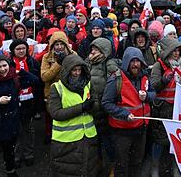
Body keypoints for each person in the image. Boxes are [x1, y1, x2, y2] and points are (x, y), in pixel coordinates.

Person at [0, 54, 39, 177]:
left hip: (10, 124)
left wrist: (21, 71)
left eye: (5, 65)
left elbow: (35, 80)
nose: (3, 69)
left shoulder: (14, 79)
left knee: (9, 151)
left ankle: (11, 171)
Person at [102, 46, 154, 177]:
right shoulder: (116, 79)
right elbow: (106, 103)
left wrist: (147, 96)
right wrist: (124, 114)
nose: (135, 64)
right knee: (121, 165)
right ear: (126, 62)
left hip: (140, 130)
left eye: (138, 61)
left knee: (137, 162)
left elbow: (154, 94)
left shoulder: (145, 77)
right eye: (132, 61)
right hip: (122, 132)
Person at [48, 54, 100, 177]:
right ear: (67, 71)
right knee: (67, 171)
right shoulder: (57, 88)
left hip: (88, 136)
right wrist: (81, 107)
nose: (77, 73)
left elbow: (96, 107)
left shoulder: (88, 84)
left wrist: (92, 106)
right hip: (66, 140)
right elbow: (56, 113)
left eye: (79, 70)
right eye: (74, 70)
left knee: (88, 169)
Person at [150, 36, 181, 177]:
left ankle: (175, 169)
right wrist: (164, 80)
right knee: (159, 142)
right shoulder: (159, 66)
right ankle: (155, 168)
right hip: (162, 110)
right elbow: (154, 85)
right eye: (174, 51)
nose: (176, 53)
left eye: (178, 51)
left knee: (177, 142)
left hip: (179, 109)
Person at [85, 37, 120, 174]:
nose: (93, 51)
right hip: (91, 109)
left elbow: (115, 86)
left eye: (96, 49)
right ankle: (98, 164)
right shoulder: (87, 63)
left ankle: (112, 166)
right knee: (95, 142)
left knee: (108, 142)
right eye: (92, 48)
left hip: (105, 111)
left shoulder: (110, 64)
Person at [8, 38, 41, 168]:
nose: (21, 51)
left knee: (29, 129)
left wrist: (23, 77)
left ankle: (28, 154)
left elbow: (36, 80)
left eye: (23, 48)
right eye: (18, 49)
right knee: (16, 131)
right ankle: (15, 156)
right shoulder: (9, 63)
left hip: (30, 101)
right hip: (14, 101)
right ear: (13, 51)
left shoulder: (32, 62)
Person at [40, 31, 74, 142]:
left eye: (61, 44)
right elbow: (45, 77)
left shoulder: (73, 55)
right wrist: (58, 64)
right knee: (51, 117)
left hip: (69, 91)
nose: (59, 47)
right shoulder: (46, 57)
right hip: (51, 93)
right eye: (56, 45)